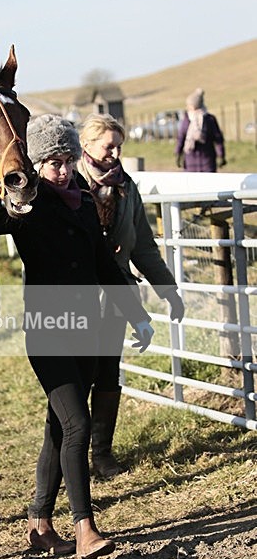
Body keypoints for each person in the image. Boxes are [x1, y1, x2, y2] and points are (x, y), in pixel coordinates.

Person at [0, 114, 155, 559]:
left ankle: (40, 524)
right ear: (37, 164)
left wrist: (137, 315)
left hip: (87, 331)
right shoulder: (24, 207)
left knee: (58, 429)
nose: (61, 170)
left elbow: (105, 266)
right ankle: (85, 527)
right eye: (51, 162)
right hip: (48, 333)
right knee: (77, 423)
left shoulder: (83, 201)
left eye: (65, 160)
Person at [77, 113, 185, 478]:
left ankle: (102, 454)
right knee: (75, 377)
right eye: (109, 145)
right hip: (75, 298)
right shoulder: (69, 186)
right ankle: (71, 456)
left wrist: (168, 291)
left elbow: (144, 246)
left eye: (119, 145)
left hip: (116, 298)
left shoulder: (127, 188)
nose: (115, 152)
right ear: (87, 145)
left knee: (108, 373)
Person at [175, 88, 226, 172]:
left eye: (189, 105)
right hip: (191, 163)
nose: (187, 107)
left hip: (206, 163)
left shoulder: (209, 120)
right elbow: (181, 137)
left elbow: (218, 139)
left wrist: (221, 155)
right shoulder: (187, 119)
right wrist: (178, 153)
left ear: (194, 106)